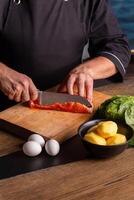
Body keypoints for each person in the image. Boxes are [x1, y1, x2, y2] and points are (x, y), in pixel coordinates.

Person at [0, 0, 131, 111]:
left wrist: (87, 71)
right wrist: (3, 73)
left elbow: (117, 46)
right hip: (7, 107)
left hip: (66, 100)